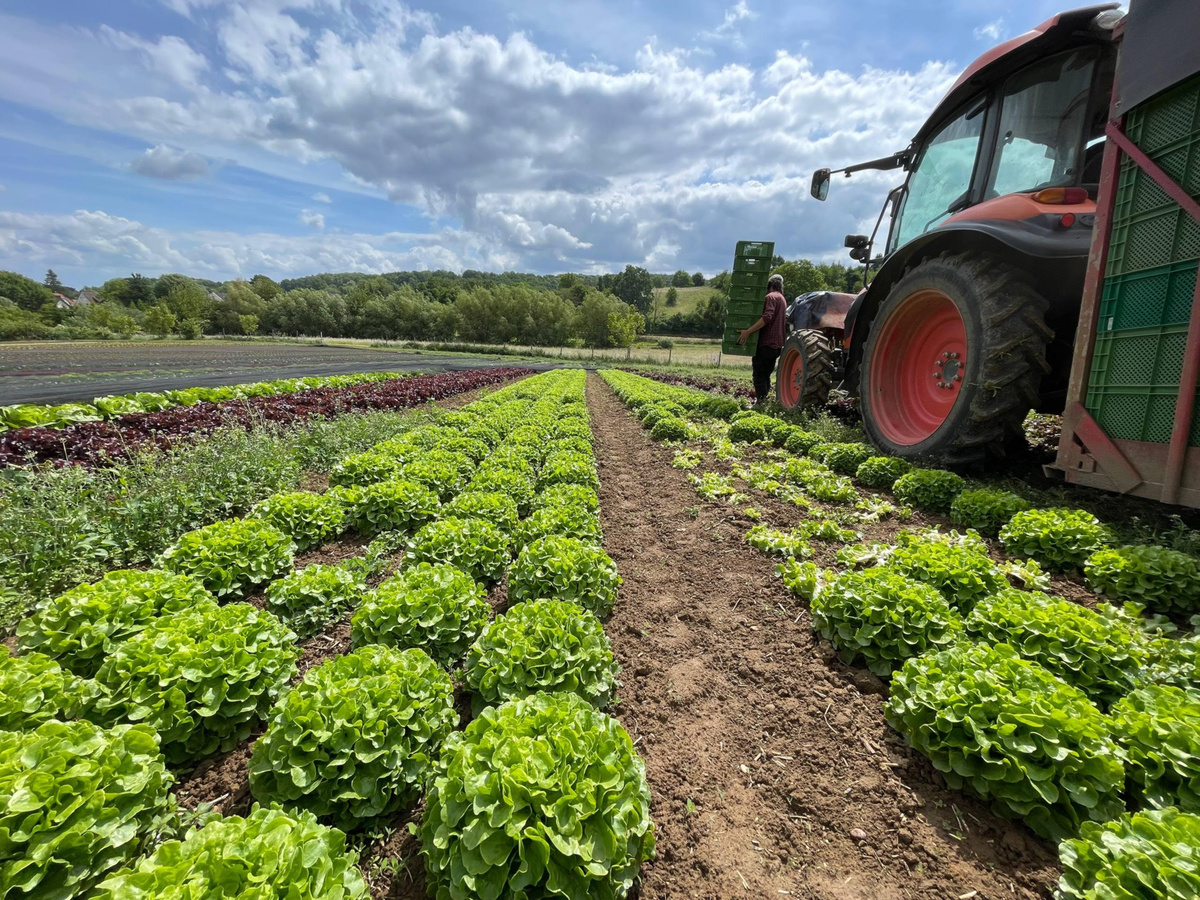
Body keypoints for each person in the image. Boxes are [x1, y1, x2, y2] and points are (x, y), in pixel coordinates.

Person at [738, 273, 787, 405]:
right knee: (766, 375)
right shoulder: (782, 299)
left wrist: (748, 331)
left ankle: (760, 403)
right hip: (777, 345)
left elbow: (767, 317)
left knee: (759, 374)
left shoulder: (770, 297)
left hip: (766, 343)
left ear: (770, 285)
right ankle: (764, 402)